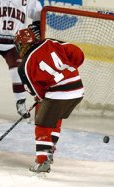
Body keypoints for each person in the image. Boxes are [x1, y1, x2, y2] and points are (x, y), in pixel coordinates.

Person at [14, 28, 85, 173]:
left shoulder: (24, 67)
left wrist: (43, 97)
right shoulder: (50, 42)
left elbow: (38, 93)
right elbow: (77, 53)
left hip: (59, 93)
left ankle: (42, 162)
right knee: (55, 117)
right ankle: (50, 152)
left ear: (20, 46)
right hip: (78, 88)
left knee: (42, 124)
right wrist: (67, 72)